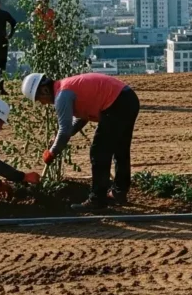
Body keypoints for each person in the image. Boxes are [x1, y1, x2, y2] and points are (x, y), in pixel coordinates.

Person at [21, 72, 140, 211]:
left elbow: (64, 131)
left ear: (45, 90)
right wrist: (62, 138)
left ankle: (97, 200)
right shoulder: (66, 88)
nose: (42, 103)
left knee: (99, 152)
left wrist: (52, 152)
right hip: (128, 99)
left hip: (116, 104)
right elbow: (82, 118)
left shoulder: (62, 95)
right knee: (120, 150)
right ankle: (119, 193)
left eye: (39, 99)